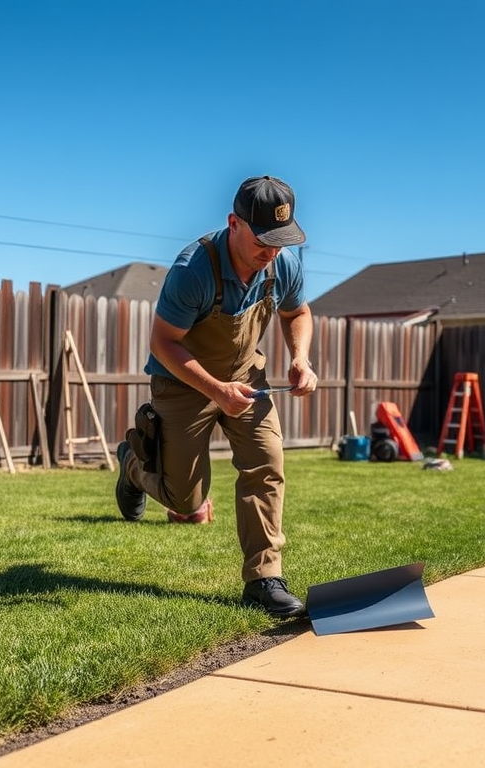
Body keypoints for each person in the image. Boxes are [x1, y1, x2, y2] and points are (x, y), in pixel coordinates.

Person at [114, 175, 317, 618]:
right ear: (234, 223)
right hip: (183, 382)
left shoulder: (282, 265)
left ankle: (264, 579)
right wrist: (216, 391)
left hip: (247, 376)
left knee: (266, 465)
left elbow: (297, 311)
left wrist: (300, 357)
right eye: (264, 240)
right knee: (186, 500)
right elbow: (163, 343)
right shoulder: (193, 271)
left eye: (282, 240)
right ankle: (133, 464)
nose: (273, 251)